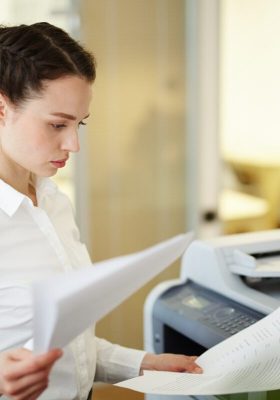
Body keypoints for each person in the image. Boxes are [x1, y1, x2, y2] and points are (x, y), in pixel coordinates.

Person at [0, 22, 202, 400]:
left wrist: (142, 364)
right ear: (1, 108)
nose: (73, 144)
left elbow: (70, 342)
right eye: (57, 124)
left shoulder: (55, 203)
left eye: (79, 124)